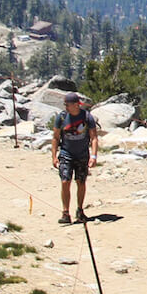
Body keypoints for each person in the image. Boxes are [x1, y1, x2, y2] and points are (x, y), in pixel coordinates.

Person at [51, 92, 99, 224]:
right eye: (65, 105)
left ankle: (80, 209)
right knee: (65, 181)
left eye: (68, 105)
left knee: (80, 182)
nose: (66, 107)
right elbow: (55, 137)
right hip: (66, 153)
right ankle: (65, 212)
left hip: (82, 154)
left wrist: (94, 156)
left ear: (76, 105)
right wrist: (54, 156)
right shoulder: (61, 117)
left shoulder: (87, 117)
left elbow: (94, 137)